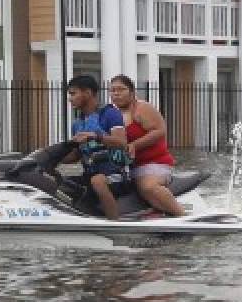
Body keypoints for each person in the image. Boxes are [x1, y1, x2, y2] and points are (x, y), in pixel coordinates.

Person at [108, 75, 185, 217]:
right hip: (128, 168)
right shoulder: (112, 114)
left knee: (148, 187)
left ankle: (182, 216)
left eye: (121, 89)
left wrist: (134, 145)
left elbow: (160, 131)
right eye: (112, 90)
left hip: (154, 164)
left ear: (132, 92)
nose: (116, 93)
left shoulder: (142, 108)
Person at [63, 74, 130, 220]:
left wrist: (95, 136)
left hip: (116, 176)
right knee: (60, 182)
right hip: (89, 175)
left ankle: (115, 225)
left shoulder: (110, 114)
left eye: (73, 93)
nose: (70, 98)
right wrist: (52, 157)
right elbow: (76, 155)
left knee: (97, 181)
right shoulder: (78, 123)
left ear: (87, 93)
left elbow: (121, 142)